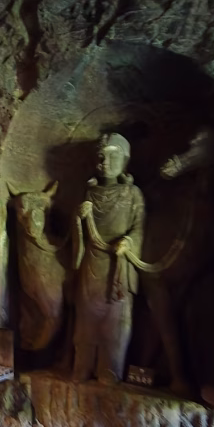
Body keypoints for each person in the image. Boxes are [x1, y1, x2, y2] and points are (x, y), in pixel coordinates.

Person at [72, 132, 144, 384]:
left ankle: (109, 368)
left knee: (116, 319)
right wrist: (79, 218)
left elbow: (138, 227)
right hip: (92, 262)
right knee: (86, 317)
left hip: (118, 266)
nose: (105, 161)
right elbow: (79, 232)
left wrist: (129, 242)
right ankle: (82, 364)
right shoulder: (89, 193)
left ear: (125, 160)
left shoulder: (132, 193)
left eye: (113, 156)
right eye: (101, 156)